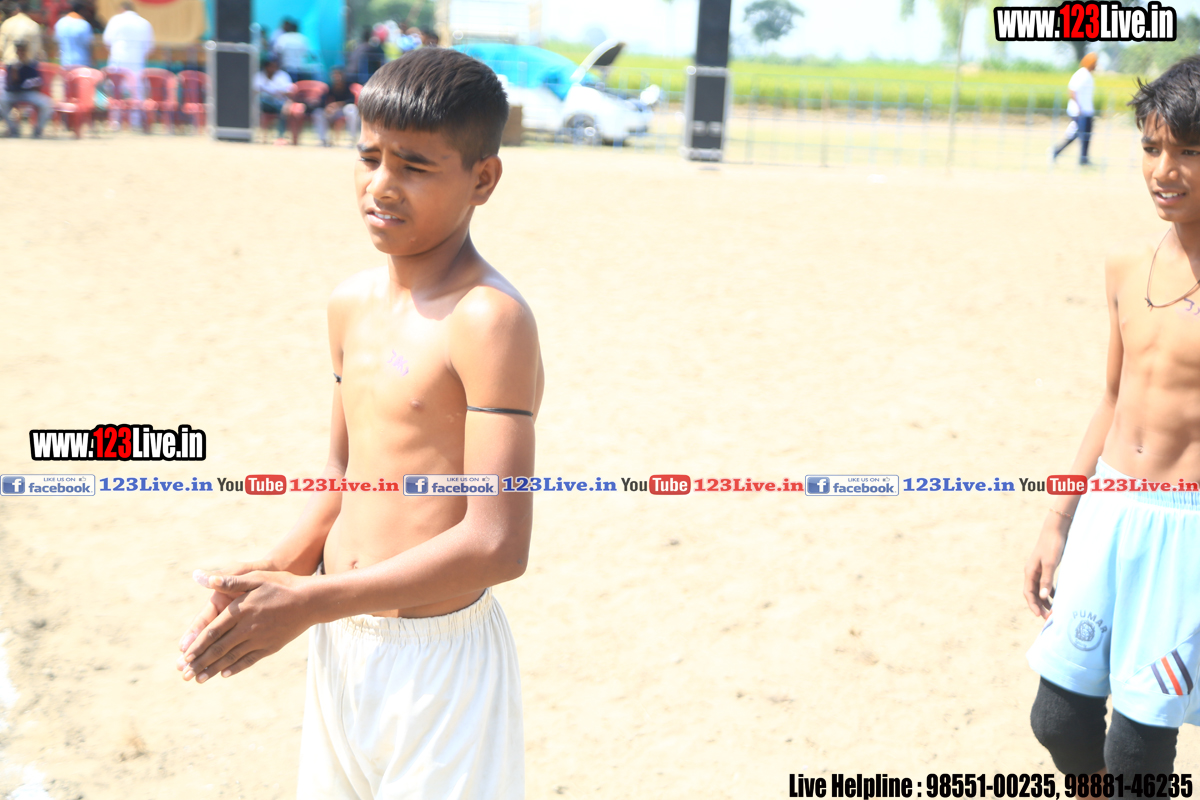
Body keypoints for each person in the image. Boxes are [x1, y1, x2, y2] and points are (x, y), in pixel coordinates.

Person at [176, 47, 540, 798]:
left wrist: (309, 603)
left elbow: (497, 544)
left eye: (415, 166)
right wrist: (275, 573)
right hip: (341, 643)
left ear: (483, 179)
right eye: (369, 157)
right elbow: (345, 477)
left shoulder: (489, 320)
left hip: (438, 666)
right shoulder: (349, 304)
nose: (381, 185)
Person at [1024, 55, 1200, 776]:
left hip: (1186, 535)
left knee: (1135, 751)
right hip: (1108, 509)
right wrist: (1058, 518)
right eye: (1152, 148)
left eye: (1189, 151)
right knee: (1058, 720)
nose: (1165, 170)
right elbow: (1111, 397)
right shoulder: (1126, 266)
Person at [102, 1, 153, 129]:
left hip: (118, 61)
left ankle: (115, 121)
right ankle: (135, 121)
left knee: (115, 91)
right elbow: (149, 46)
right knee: (136, 92)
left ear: (121, 9)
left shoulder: (115, 20)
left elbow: (107, 41)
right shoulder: (144, 23)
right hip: (137, 62)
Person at [1051, 52, 1098, 166]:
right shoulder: (1082, 74)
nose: (1096, 65)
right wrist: (1078, 107)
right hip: (1079, 112)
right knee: (1079, 135)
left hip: (1087, 111)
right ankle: (1057, 152)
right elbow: (1072, 91)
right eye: (1095, 63)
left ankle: (1082, 158)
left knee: (1084, 135)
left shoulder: (1088, 75)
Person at [2, 38, 51, 137]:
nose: (21, 53)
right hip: (14, 93)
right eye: (19, 50)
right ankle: (13, 128)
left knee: (47, 104)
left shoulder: (32, 65)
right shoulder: (11, 65)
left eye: (23, 50)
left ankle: (38, 130)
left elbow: (38, 81)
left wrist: (34, 85)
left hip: (29, 93)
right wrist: (15, 73)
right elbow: (9, 85)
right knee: (2, 101)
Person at [253, 55, 294, 141]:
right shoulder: (259, 75)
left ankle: (280, 137)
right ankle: (259, 136)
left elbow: (289, 91)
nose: (273, 68)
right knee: (256, 105)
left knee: (284, 109)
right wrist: (274, 92)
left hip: (278, 102)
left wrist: (273, 92)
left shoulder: (283, 76)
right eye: (271, 66)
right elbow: (255, 91)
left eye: (275, 66)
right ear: (266, 67)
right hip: (263, 102)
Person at [314, 66, 358, 146]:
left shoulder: (349, 86)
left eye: (338, 75)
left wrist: (338, 104)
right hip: (334, 112)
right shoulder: (330, 87)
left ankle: (352, 140)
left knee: (351, 109)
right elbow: (322, 102)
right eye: (335, 75)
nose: (337, 77)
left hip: (345, 110)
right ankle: (323, 140)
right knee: (318, 113)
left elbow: (352, 100)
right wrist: (328, 107)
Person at [273, 17, 314, 82]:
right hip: (301, 69)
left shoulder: (283, 38)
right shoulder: (303, 39)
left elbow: (276, 52)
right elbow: (310, 54)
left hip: (287, 68)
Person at [54, 1, 92, 68]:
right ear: (82, 10)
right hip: (82, 62)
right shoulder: (84, 24)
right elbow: (89, 44)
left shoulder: (60, 23)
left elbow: (57, 41)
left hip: (65, 61)